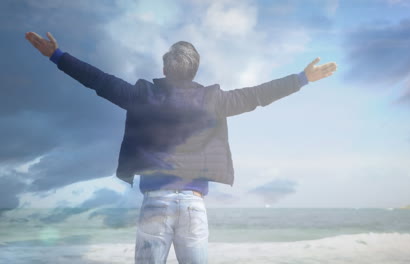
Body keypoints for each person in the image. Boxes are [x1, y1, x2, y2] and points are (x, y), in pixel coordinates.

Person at [25, 31, 337, 264]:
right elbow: (258, 95)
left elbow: (99, 80)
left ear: (164, 68)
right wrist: (301, 78)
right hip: (193, 205)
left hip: (155, 203)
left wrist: (57, 56)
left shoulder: (142, 95)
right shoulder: (213, 100)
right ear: (195, 69)